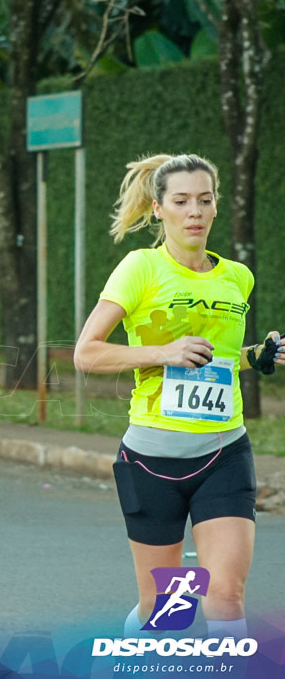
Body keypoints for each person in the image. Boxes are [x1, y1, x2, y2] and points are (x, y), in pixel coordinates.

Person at [73, 154, 283, 641]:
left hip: (225, 453)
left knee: (226, 595)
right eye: (182, 201)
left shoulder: (238, 277)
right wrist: (164, 351)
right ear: (159, 207)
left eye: (204, 201)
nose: (194, 211)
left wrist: (260, 356)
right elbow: (86, 353)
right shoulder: (140, 268)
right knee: (167, 610)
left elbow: (221, 359)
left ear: (215, 208)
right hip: (152, 459)